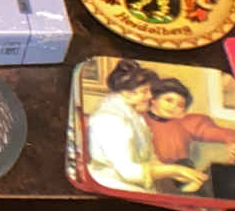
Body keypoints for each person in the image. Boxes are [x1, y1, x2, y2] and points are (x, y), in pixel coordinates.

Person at [86, 60, 209, 194]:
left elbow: (149, 159)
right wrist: (174, 170)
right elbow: (128, 172)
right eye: (144, 91)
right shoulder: (110, 120)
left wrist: (176, 173)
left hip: (136, 187)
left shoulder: (136, 117)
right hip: (113, 186)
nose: (150, 96)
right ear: (127, 93)